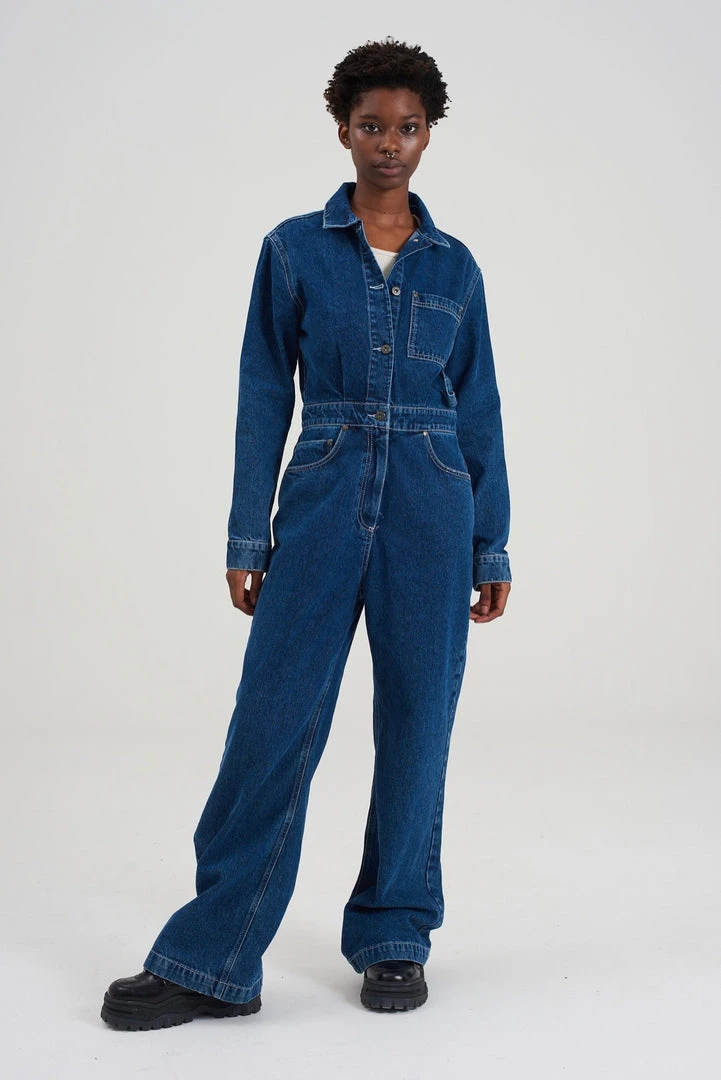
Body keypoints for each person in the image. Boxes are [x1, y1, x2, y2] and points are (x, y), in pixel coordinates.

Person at [101, 36, 512, 1031]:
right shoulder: (292, 250)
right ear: (342, 130)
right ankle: (213, 957)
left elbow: (479, 408)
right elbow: (261, 394)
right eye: (371, 125)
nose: (389, 143)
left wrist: (489, 543)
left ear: (429, 135)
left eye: (407, 127)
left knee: (417, 721)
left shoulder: (455, 267)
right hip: (323, 496)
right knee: (272, 721)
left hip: (432, 502)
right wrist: (248, 538)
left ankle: (394, 934)